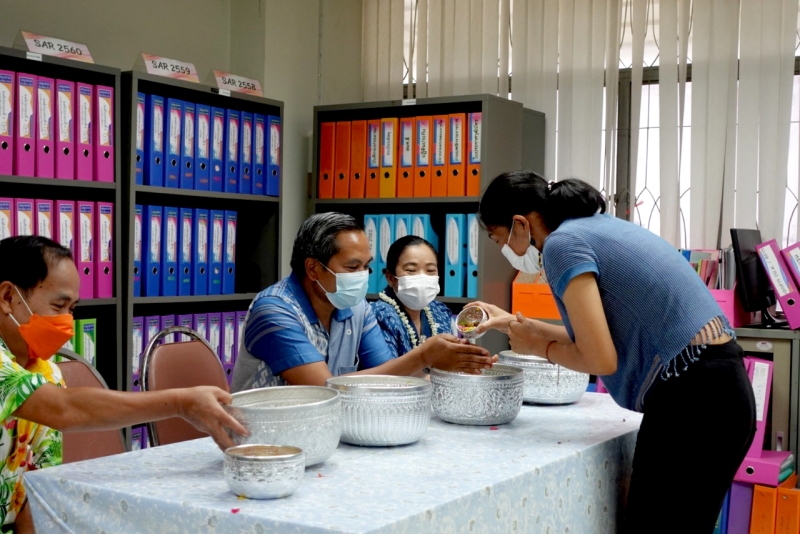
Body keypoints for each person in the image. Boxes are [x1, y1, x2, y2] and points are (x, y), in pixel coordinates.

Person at [471, 171, 756, 534]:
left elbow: (600, 359)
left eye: (499, 239)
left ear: (521, 224)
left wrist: (539, 347)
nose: (504, 250)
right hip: (721, 391)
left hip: (693, 401)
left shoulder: (561, 245)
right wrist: (512, 324)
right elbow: (594, 337)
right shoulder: (594, 227)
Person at [0, 236, 247, 533]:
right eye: (58, 306)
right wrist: (182, 403)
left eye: (72, 309)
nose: (67, 324)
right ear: (7, 297)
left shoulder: (46, 373)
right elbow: (63, 409)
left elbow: (32, 491)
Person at [231, 213, 493, 392]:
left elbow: (388, 375)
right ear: (313, 269)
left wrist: (453, 365)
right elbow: (323, 390)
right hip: (264, 444)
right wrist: (425, 355)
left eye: (366, 266)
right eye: (352, 267)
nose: (362, 276)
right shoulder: (274, 310)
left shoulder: (357, 308)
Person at [372, 235, 461, 369]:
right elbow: (387, 374)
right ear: (391, 278)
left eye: (430, 270)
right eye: (411, 270)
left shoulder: (439, 311)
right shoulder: (380, 315)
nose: (422, 277)